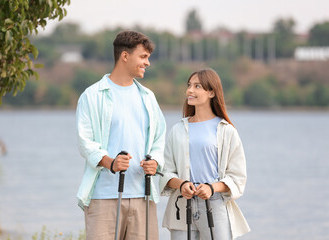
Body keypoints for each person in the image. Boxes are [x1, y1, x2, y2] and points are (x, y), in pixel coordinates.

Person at [76, 30, 166, 240]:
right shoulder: (91, 96)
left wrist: (156, 162)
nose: (147, 63)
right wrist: (111, 162)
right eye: (143, 57)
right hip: (103, 196)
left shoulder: (148, 97)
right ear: (125, 56)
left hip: (143, 196)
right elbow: (85, 142)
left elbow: (159, 139)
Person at [160, 69, 250, 239]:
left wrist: (211, 188)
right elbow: (165, 172)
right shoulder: (177, 130)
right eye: (189, 85)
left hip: (215, 206)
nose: (190, 91)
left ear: (211, 92)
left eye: (197, 86)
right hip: (181, 205)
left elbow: (237, 176)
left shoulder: (227, 131)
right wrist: (181, 184)